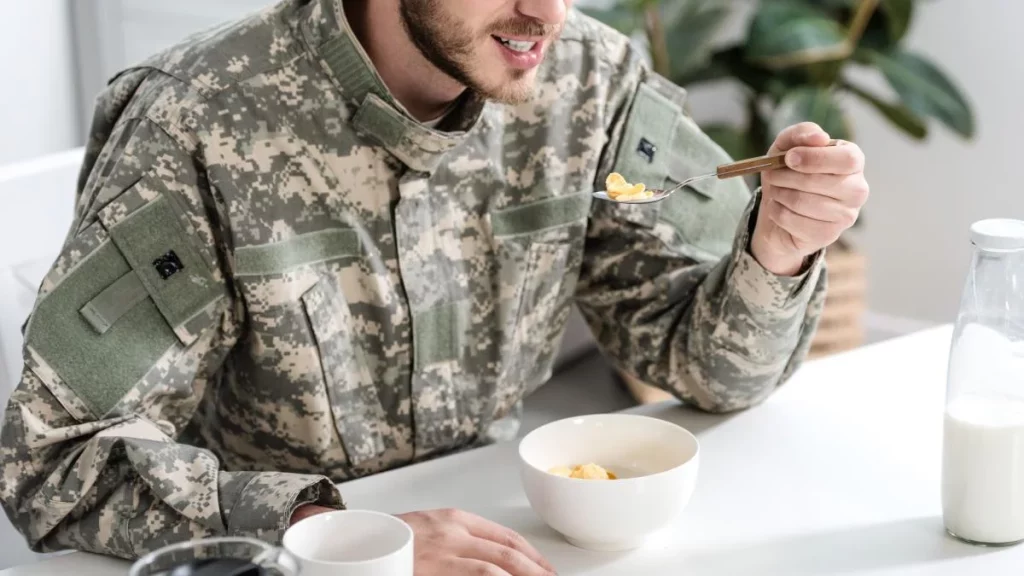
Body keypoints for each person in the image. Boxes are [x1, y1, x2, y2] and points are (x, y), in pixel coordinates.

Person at [0, 0, 868, 574]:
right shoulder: (193, 118)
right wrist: (335, 535)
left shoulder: (593, 80)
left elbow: (711, 372)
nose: (549, 13)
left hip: (514, 542)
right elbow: (56, 462)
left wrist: (777, 253)